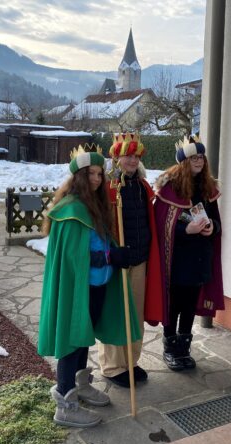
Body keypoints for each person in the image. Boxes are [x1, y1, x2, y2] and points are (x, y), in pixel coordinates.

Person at [38, 146, 141, 428]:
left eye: (99, 173)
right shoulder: (70, 210)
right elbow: (76, 258)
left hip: (95, 288)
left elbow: (99, 243)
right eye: (91, 174)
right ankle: (65, 402)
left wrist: (115, 252)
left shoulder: (93, 206)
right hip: (77, 290)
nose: (97, 179)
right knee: (73, 342)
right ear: (79, 177)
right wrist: (109, 257)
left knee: (83, 338)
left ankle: (80, 385)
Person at [98, 133, 164, 388]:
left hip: (140, 260)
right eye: (127, 155)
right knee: (117, 314)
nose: (132, 160)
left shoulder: (143, 186)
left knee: (135, 314)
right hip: (118, 262)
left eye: (136, 156)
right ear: (116, 157)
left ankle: (131, 362)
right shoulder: (107, 188)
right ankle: (113, 367)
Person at [154, 135, 224, 371]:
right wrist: (186, 230)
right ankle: (169, 349)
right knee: (174, 304)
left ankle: (183, 349)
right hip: (176, 259)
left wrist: (212, 227)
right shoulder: (170, 188)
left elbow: (217, 222)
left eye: (201, 157)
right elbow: (163, 224)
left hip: (200, 258)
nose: (199, 161)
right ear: (184, 162)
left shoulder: (207, 189)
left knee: (190, 306)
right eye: (194, 157)